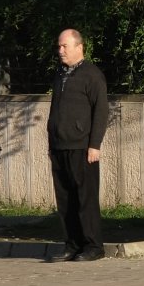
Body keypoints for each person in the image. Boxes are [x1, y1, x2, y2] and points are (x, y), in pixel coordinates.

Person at [46, 29, 109, 262]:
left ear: (79, 46)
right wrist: (51, 142)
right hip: (59, 146)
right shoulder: (60, 75)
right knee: (65, 199)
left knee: (85, 198)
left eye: (64, 46)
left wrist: (95, 144)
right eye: (59, 46)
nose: (60, 50)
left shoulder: (91, 75)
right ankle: (72, 244)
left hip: (83, 147)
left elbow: (101, 111)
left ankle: (93, 246)